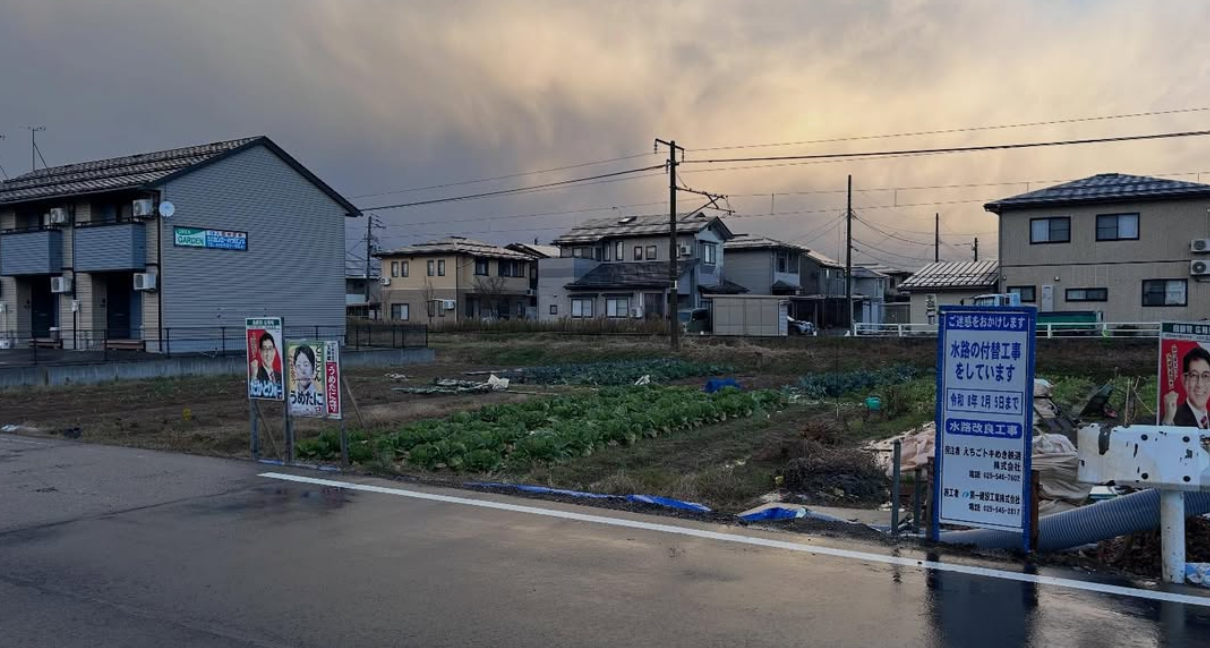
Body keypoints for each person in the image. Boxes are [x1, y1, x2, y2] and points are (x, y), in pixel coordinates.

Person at [1164, 346, 1210, 429]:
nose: (1200, 384)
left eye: (1206, 376)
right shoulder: (1171, 417)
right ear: (1184, 380)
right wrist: (1167, 421)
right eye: (1194, 375)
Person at [290, 344, 324, 416]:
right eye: (298, 365)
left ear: (313, 368)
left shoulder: (320, 399)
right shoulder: (290, 398)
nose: (303, 370)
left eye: (306, 365)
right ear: (295, 369)